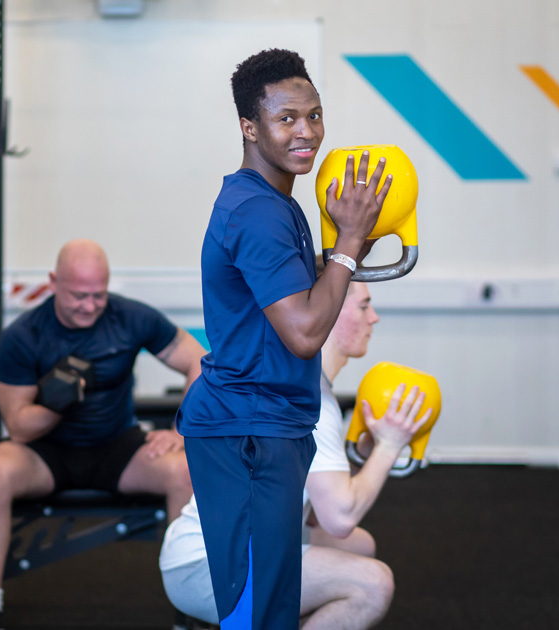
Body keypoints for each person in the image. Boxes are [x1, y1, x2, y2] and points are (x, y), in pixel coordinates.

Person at [175, 48, 393, 628]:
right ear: (250, 127)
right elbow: (303, 333)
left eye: (315, 115)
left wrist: (349, 250)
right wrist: (347, 243)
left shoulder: (278, 204)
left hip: (269, 424)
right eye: (286, 118)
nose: (307, 132)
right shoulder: (258, 212)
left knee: (270, 608)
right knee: (256, 615)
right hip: (247, 431)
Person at [161, 259, 433, 629]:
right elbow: (339, 517)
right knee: (372, 584)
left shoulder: (307, 387)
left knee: (360, 546)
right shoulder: (312, 401)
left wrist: (367, 450)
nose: (374, 318)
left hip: (214, 549)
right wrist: (390, 446)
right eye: (364, 305)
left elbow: (320, 509)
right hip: (203, 563)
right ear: (332, 311)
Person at [0, 239, 206, 630]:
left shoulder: (130, 318)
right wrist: (58, 404)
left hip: (116, 446)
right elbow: (19, 425)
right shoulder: (24, 336)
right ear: (53, 282)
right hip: (46, 452)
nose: (90, 306)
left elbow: (197, 361)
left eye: (98, 295)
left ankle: (190, 607)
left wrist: (181, 428)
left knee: (185, 471)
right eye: (79, 296)